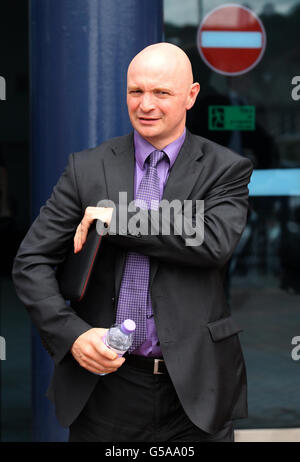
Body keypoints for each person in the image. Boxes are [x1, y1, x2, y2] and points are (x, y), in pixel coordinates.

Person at [12, 42, 253, 442]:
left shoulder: (224, 169)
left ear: (191, 95)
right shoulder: (86, 169)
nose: (146, 105)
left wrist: (119, 219)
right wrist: (72, 334)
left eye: (162, 93)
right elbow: (30, 262)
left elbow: (213, 241)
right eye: (136, 91)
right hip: (104, 389)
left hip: (194, 390)